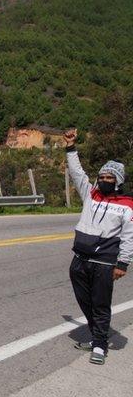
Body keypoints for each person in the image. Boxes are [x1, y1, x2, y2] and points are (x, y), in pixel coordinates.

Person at [63, 128, 131, 365]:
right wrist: (71, 147)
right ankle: (97, 336)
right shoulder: (91, 194)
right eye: (102, 177)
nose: (103, 180)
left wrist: (123, 263)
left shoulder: (127, 204)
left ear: (118, 181)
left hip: (104, 263)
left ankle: (100, 344)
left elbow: (129, 236)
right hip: (80, 259)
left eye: (109, 178)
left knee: (100, 304)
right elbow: (77, 172)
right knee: (85, 301)